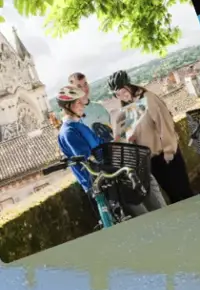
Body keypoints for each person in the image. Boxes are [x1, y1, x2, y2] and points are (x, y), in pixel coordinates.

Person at [55, 85, 163, 217]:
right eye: (78, 102)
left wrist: (117, 138)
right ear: (67, 106)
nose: (82, 104)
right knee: (142, 209)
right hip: (104, 183)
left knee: (147, 182)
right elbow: (89, 160)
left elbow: (99, 145)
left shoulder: (79, 124)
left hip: (111, 177)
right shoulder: (69, 132)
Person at [109, 70, 194, 204]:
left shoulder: (148, 98)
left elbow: (165, 124)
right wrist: (130, 138)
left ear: (129, 86)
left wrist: (169, 151)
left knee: (185, 193)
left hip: (166, 155)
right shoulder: (130, 107)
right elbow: (134, 131)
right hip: (152, 160)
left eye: (123, 91)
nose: (122, 96)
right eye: (117, 94)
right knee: (174, 197)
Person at [68, 72, 114, 142]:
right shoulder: (74, 116)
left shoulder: (99, 106)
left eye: (85, 84)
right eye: (79, 86)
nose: (84, 88)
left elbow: (113, 128)